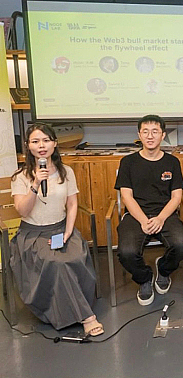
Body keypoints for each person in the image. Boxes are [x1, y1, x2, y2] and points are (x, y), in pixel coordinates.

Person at [10, 123, 103, 336]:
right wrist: (35, 184)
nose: (41, 146)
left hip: (62, 228)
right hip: (33, 235)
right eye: (35, 141)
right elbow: (22, 211)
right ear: (28, 146)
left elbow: (72, 204)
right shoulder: (20, 176)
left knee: (74, 257)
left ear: (54, 143)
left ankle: (75, 306)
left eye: (46, 140)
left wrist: (68, 232)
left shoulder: (66, 172)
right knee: (57, 263)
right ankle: (86, 317)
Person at [115, 114, 183, 306]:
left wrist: (161, 218)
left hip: (165, 214)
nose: (150, 136)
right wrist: (143, 220)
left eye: (155, 131)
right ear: (139, 135)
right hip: (135, 215)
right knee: (126, 252)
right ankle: (144, 279)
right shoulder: (128, 162)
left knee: (182, 244)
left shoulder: (172, 162)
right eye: (145, 132)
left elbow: (176, 197)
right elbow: (127, 196)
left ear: (163, 135)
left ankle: (163, 270)